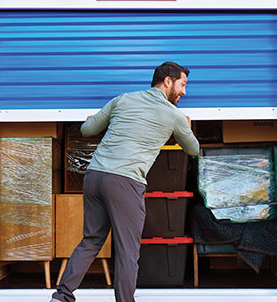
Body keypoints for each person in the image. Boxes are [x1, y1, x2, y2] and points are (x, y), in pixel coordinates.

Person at [50, 61, 200, 302]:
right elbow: (192, 149)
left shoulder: (123, 100)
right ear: (168, 81)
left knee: (91, 239)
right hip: (125, 183)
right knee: (127, 250)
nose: (184, 92)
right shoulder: (174, 116)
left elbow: (87, 129)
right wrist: (188, 128)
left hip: (95, 176)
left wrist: (93, 120)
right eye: (183, 85)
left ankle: (62, 296)